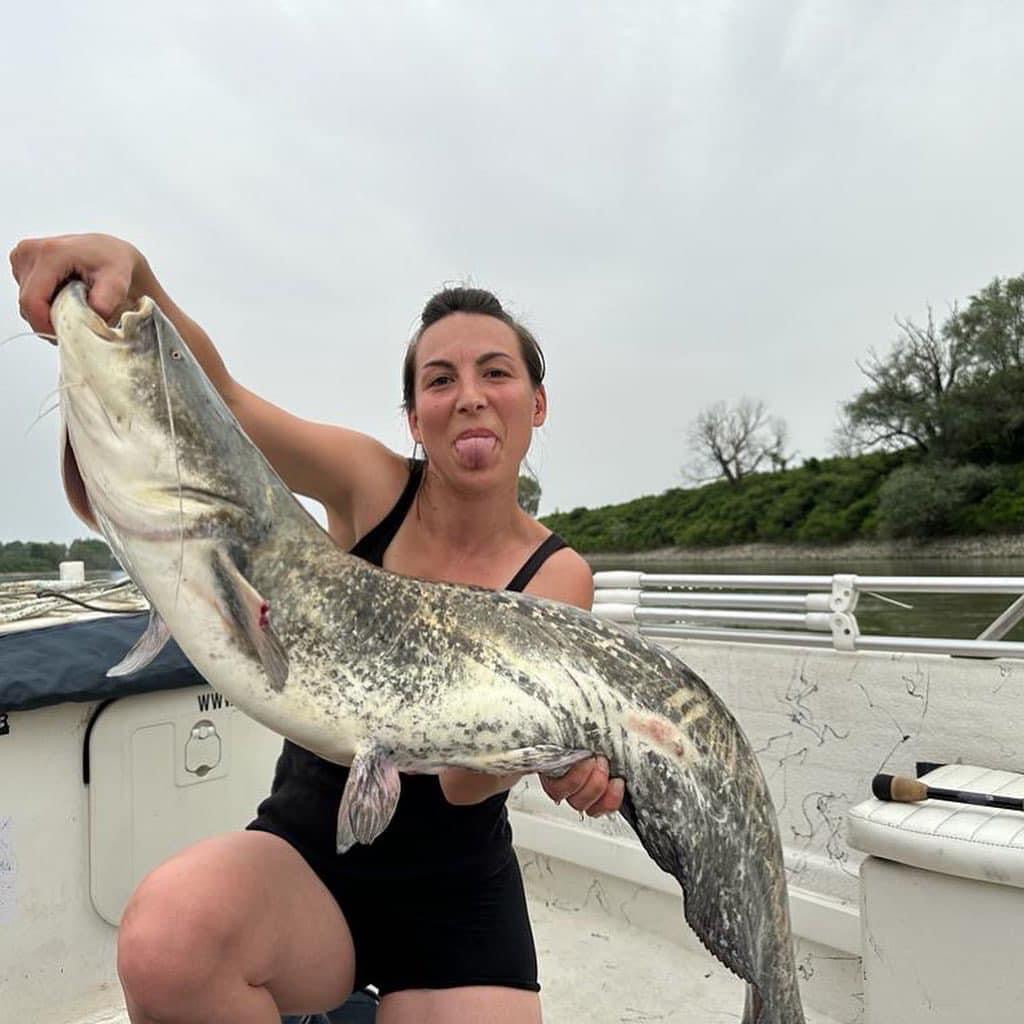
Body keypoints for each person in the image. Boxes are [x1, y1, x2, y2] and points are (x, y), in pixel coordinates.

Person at [10, 234, 626, 1024]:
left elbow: (467, 784)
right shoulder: (370, 484)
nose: (469, 395)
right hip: (306, 853)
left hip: (456, 890)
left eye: (495, 372)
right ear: (414, 416)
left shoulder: (558, 573)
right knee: (166, 940)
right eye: (440, 380)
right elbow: (227, 403)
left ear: (536, 404)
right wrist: (136, 284)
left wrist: (555, 758)